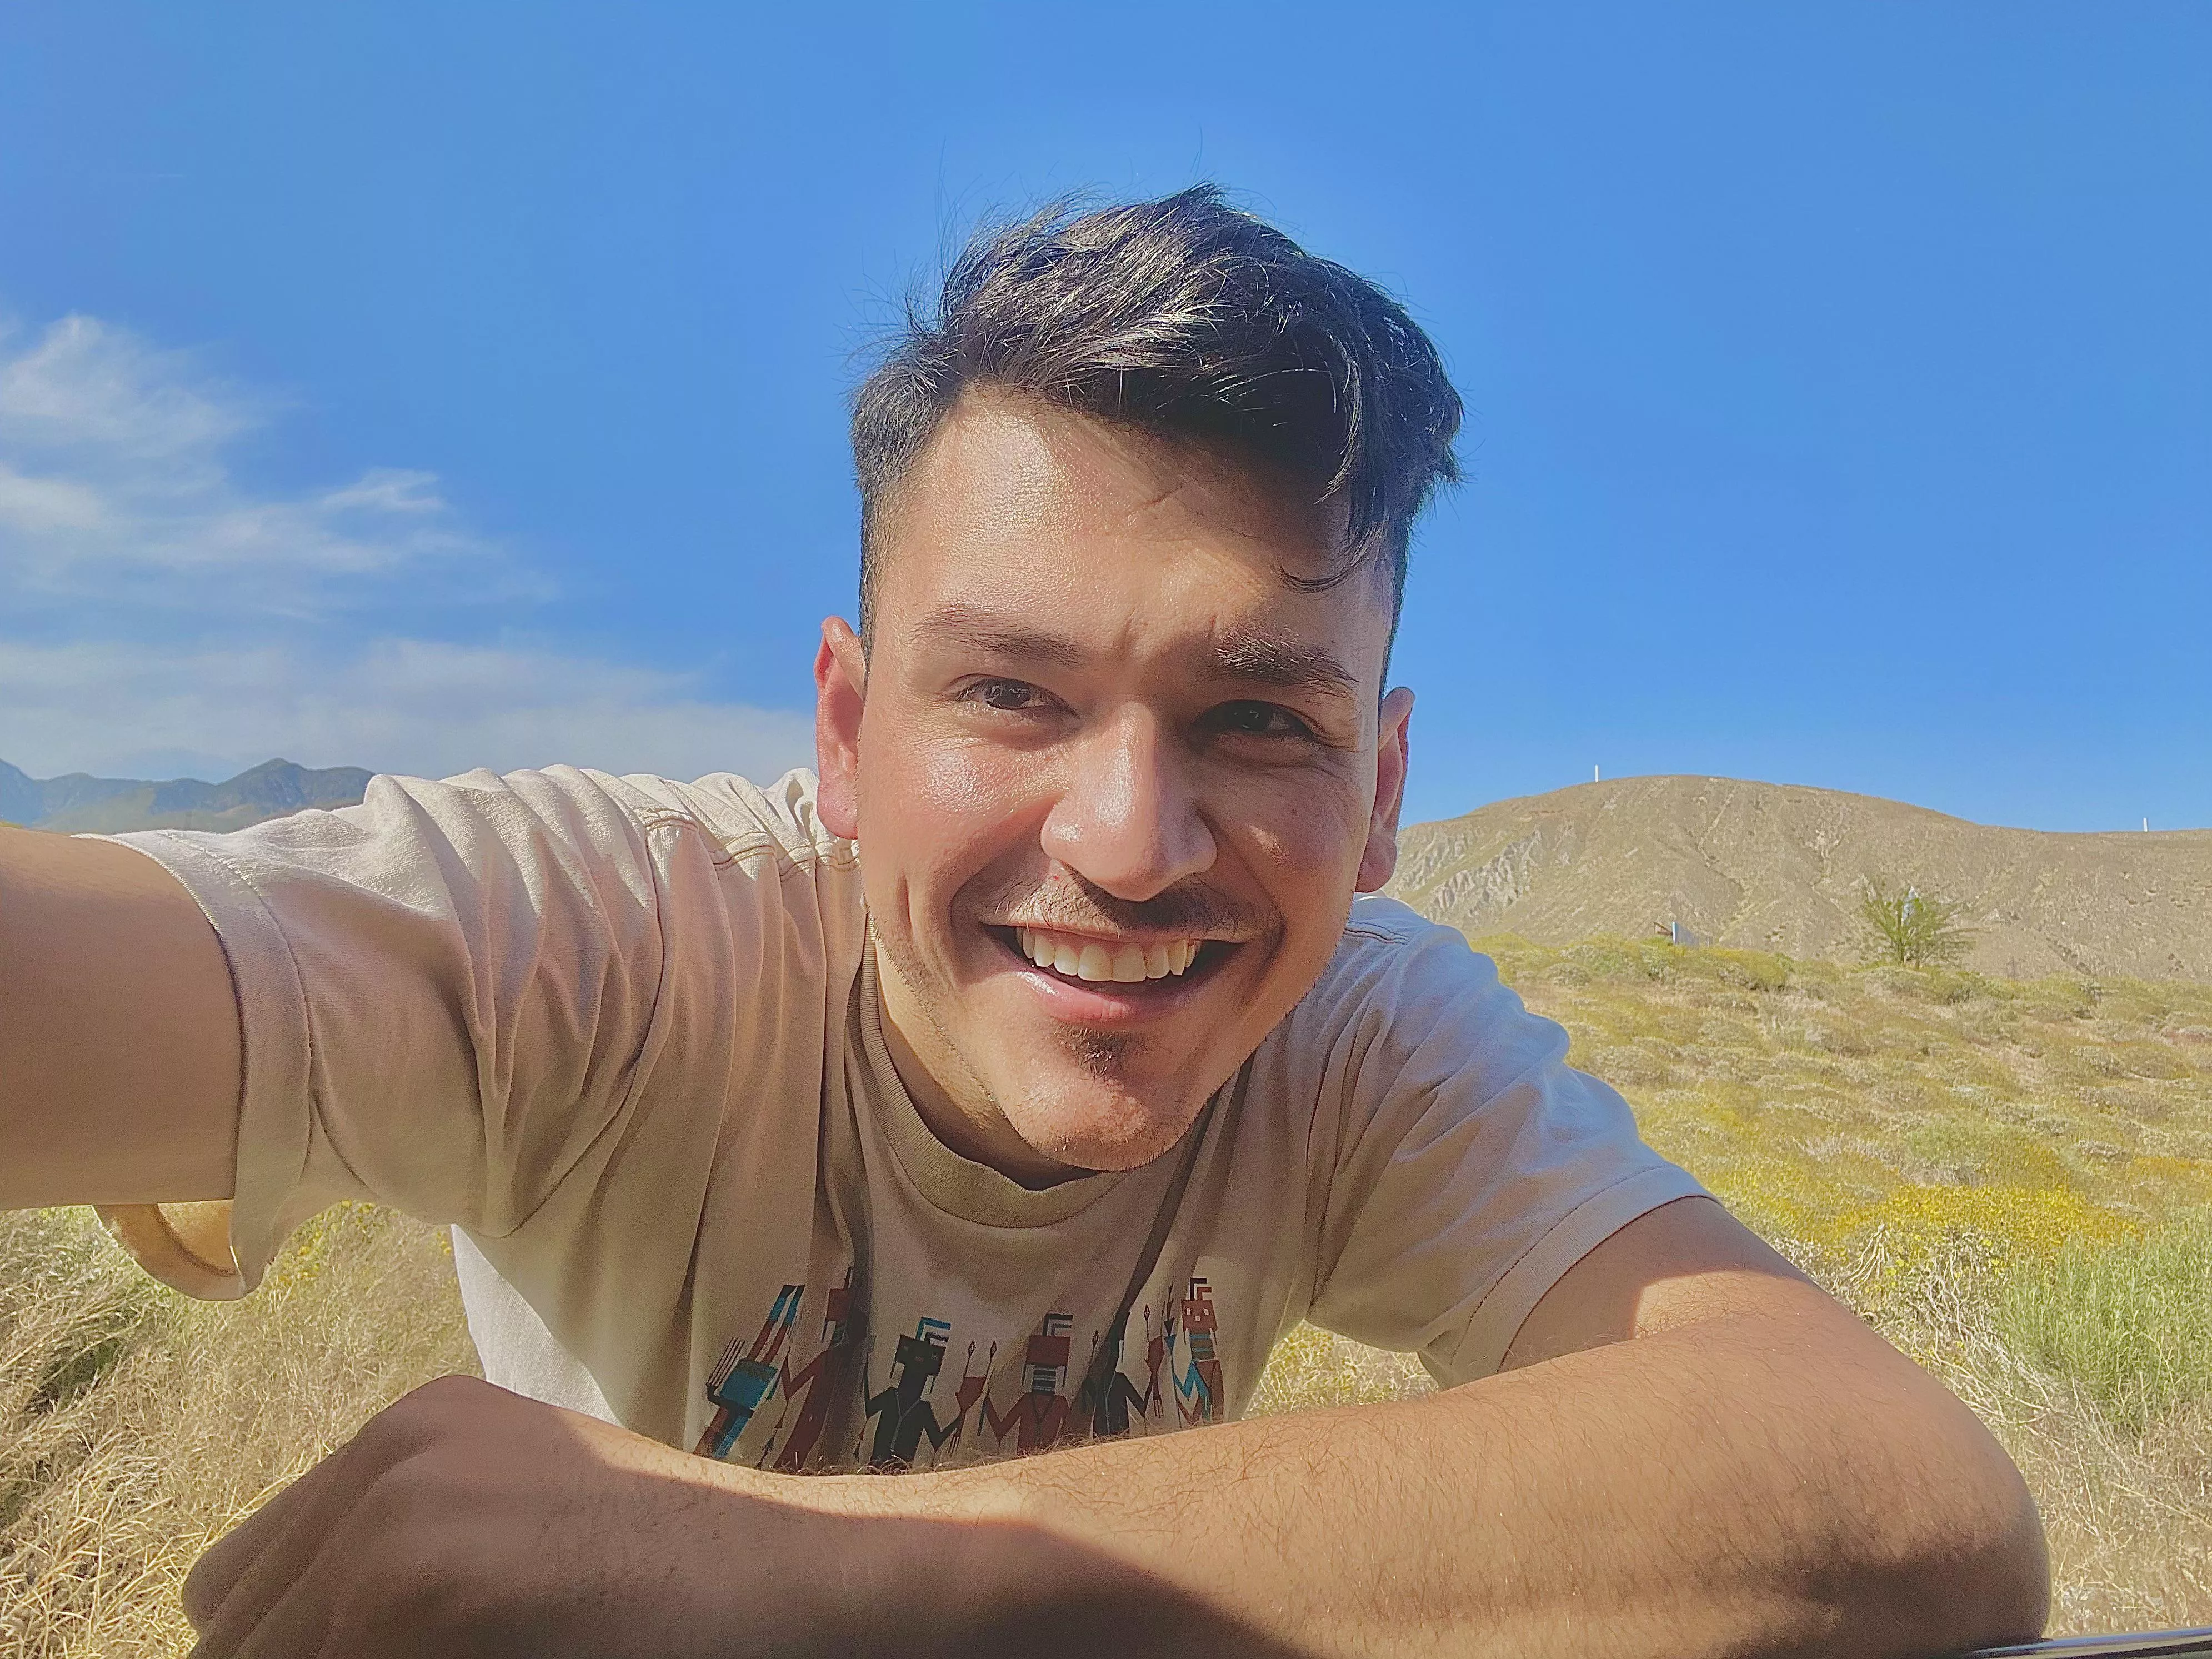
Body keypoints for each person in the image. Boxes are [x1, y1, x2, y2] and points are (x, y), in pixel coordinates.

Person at [0, 187, 2046, 1658]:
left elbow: (1891, 1489)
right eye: (1008, 694)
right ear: (842, 727)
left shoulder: (1362, 1033)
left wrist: (764, 1569)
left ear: (1384, 792)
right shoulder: (614, 938)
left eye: (1259, 717)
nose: (1136, 840)